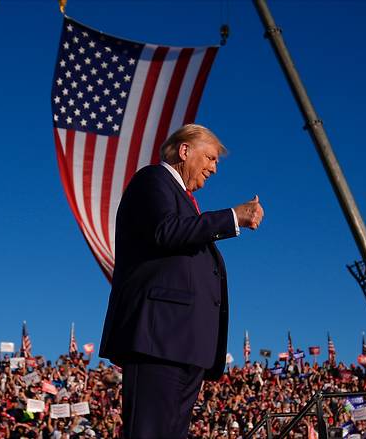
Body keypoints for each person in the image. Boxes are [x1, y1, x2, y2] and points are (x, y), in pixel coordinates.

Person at [99, 124, 264, 438]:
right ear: (185, 150)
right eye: (211, 158)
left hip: (185, 344)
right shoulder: (152, 180)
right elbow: (166, 230)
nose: (214, 168)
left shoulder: (185, 200)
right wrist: (233, 217)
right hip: (158, 338)